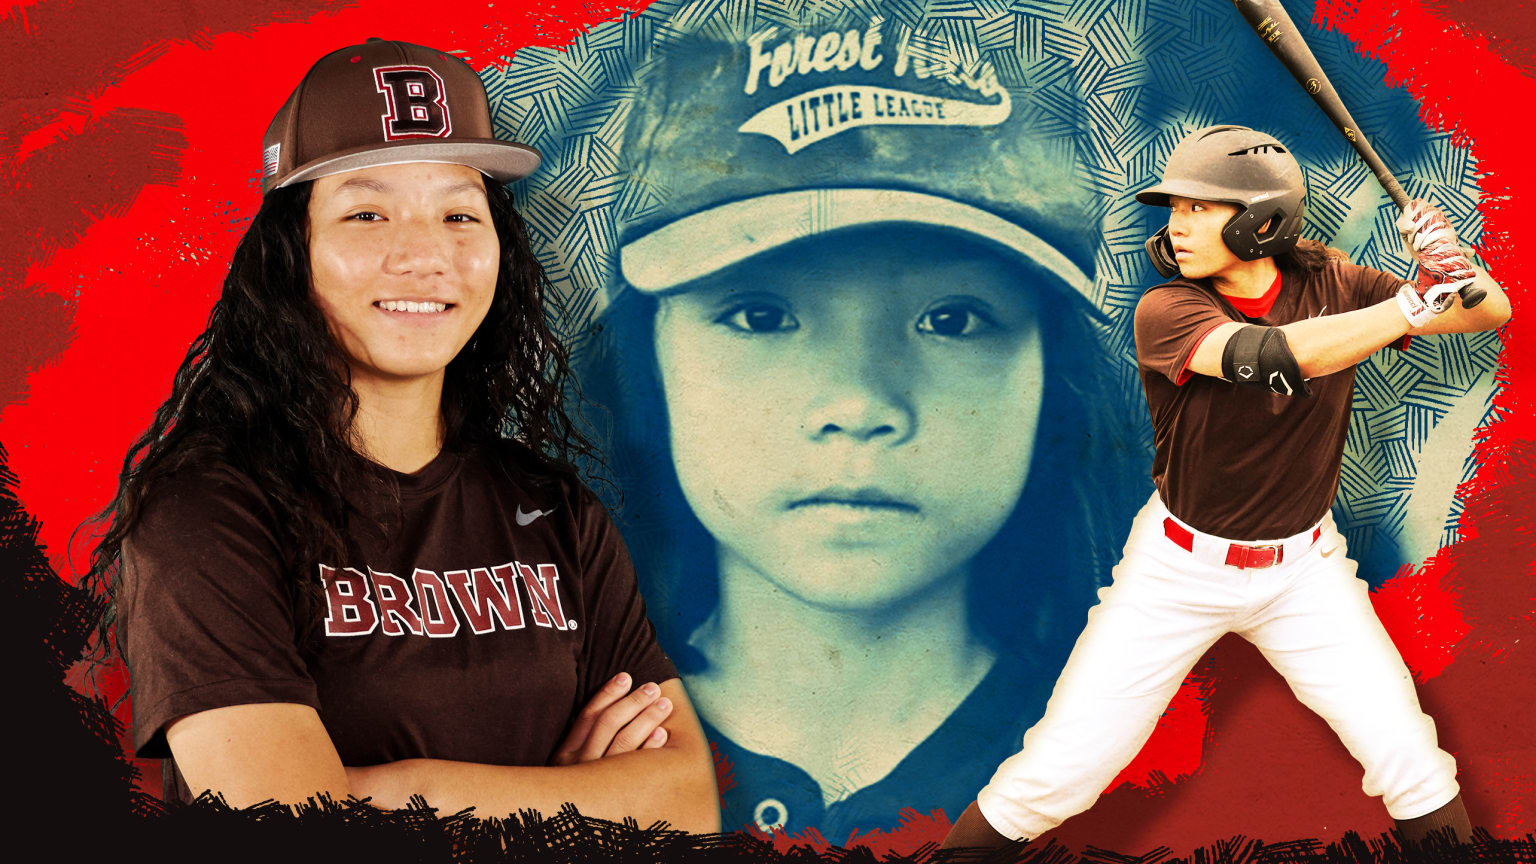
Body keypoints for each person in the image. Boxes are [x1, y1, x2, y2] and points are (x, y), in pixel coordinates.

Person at [83, 38, 718, 830]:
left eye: (458, 212)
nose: (424, 254)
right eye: (367, 212)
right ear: (292, 255)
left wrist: (381, 789)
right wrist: (571, 806)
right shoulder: (206, 514)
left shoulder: (553, 511)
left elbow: (687, 806)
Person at [575, 18, 1145, 837]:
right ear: (647, 357)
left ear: (1053, 379)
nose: (860, 403)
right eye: (760, 314)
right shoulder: (515, 748)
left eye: (953, 319)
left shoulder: (1172, 760)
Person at [943, 124, 1512, 850]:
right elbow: (1273, 358)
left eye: (1199, 209)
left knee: (1411, 760)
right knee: (1056, 775)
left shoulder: (1333, 281)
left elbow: (1488, 311)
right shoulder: (1168, 310)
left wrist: (1452, 267)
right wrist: (1413, 305)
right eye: (1174, 209)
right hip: (1178, 570)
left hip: (1304, 570)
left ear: (1260, 220)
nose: (1176, 226)